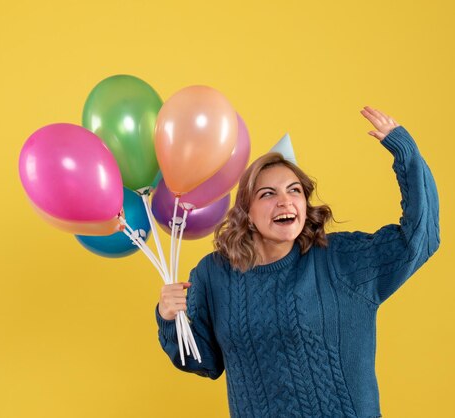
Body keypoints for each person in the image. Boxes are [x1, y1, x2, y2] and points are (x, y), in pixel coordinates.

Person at [155, 107, 440, 418]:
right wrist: (170, 319)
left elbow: (419, 240)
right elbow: (204, 361)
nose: (284, 201)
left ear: (305, 204)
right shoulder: (215, 274)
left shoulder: (340, 259)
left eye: (295, 191)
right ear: (247, 213)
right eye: (267, 194)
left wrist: (404, 151)